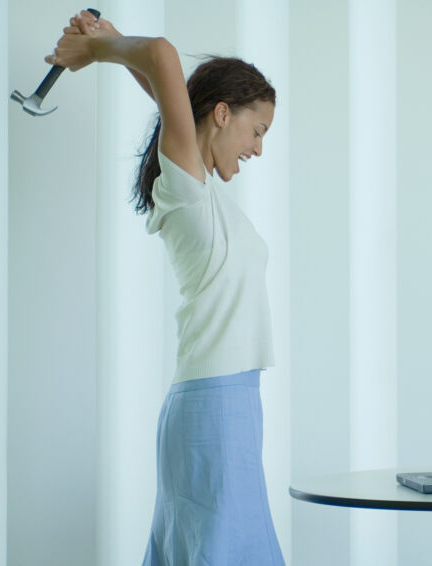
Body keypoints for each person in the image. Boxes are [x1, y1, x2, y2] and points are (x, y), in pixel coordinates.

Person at [48, 11, 284, 565]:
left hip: (230, 403)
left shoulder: (196, 185)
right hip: (214, 407)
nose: (258, 149)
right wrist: (100, 51)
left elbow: (170, 96)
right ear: (223, 115)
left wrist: (106, 40)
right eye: (258, 130)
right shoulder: (186, 191)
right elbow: (160, 53)